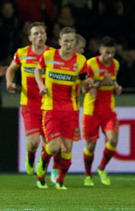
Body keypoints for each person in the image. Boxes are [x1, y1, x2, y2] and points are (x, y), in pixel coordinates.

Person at [34, 26, 89, 190]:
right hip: (51, 108)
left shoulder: (80, 61)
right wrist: (41, 85)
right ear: (60, 42)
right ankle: (40, 174)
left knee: (67, 149)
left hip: (70, 110)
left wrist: (89, 84)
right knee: (53, 147)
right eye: (66, 41)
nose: (69, 44)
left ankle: (60, 180)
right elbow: (38, 70)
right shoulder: (49, 55)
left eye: (72, 41)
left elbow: (84, 84)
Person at [5, 22, 54, 176]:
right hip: (29, 104)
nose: (40, 36)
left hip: (48, 105)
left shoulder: (53, 54)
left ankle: (42, 172)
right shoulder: (22, 53)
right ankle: (31, 156)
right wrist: (9, 82)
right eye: (36, 33)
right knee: (33, 142)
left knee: (49, 145)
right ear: (30, 37)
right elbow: (11, 69)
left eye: (42, 33)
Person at [82, 36, 122, 186]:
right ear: (100, 50)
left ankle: (101, 168)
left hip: (108, 110)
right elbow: (85, 89)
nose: (110, 56)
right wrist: (100, 84)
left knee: (113, 140)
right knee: (91, 146)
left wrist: (116, 86)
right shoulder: (91, 64)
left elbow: (113, 80)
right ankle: (88, 176)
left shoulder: (115, 64)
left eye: (112, 53)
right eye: (107, 52)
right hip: (91, 110)